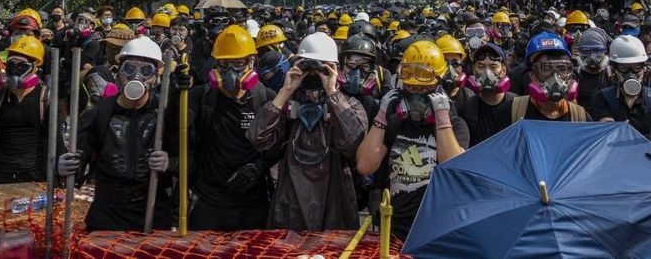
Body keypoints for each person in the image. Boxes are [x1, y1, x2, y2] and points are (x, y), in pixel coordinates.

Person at [248, 32, 367, 231]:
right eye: (307, 66)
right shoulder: (286, 106)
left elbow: (353, 144)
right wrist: (285, 92)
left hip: (334, 203)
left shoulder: (349, 105)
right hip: (290, 204)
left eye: (320, 66)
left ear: (334, 68)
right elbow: (257, 138)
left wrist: (332, 93)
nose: (313, 74)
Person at [356, 42, 469, 240]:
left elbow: (454, 168)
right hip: (393, 229)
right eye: (410, 88)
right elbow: (365, 166)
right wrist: (381, 117)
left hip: (437, 231)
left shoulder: (456, 125)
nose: (416, 96)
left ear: (439, 87)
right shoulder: (394, 124)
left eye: (423, 90)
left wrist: (442, 118)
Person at [58, 37, 173, 231]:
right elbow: (81, 151)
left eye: (146, 70)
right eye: (129, 69)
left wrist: (170, 163)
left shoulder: (165, 114)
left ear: (155, 77)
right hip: (108, 211)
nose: (136, 76)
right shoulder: (100, 111)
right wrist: (65, 166)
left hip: (152, 209)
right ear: (118, 72)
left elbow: (189, 159)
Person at [173, 25, 280, 231]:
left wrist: (260, 166)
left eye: (238, 64)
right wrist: (175, 94)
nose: (231, 71)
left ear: (251, 61)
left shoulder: (266, 99)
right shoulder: (199, 98)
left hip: (253, 203)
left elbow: (279, 145)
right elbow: (175, 130)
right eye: (224, 64)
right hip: (209, 202)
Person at [0, 36, 61, 184]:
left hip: (34, 174)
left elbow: (54, 141)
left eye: (21, 66)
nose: (15, 70)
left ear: (34, 67)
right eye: (11, 65)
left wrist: (57, 177)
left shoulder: (46, 99)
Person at [592, 35, 651, 140]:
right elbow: (607, 131)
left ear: (644, 68)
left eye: (636, 67)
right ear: (614, 69)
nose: (630, 74)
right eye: (623, 68)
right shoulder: (603, 97)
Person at [513, 33, 589, 123]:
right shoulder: (514, 111)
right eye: (547, 68)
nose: (555, 76)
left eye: (562, 68)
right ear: (532, 75)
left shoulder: (580, 117)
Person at [460, 43, 515, 144]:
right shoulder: (466, 110)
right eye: (481, 67)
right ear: (474, 70)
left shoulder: (517, 106)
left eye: (493, 67)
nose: (487, 73)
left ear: (503, 71)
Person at [574, 28, 611, 117]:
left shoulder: (611, 74)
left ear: (605, 51)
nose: (591, 56)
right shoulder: (574, 75)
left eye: (597, 51)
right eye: (586, 51)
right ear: (579, 52)